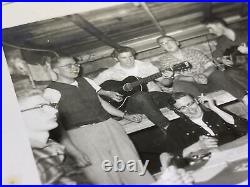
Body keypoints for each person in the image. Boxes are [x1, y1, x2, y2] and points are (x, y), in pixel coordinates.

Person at [43, 56, 155, 184]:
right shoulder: (51, 92)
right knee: (102, 175)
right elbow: (56, 125)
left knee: (131, 165)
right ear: (55, 69)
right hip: (81, 135)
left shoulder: (85, 81)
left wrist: (125, 115)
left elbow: (102, 103)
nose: (75, 68)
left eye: (76, 64)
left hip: (109, 126)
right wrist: (74, 151)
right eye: (69, 65)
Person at [94, 46, 174, 133]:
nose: (129, 60)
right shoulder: (109, 73)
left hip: (154, 97)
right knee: (140, 96)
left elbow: (166, 83)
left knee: (172, 97)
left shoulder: (146, 66)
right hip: (129, 105)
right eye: (124, 58)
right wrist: (108, 93)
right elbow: (90, 87)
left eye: (131, 56)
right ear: (116, 59)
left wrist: (169, 77)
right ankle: (166, 127)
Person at [18, 89, 91, 184]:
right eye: (40, 107)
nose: (54, 110)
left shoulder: (50, 145)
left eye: (49, 105)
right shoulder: (32, 161)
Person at [156, 35, 248, 106]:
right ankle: (207, 111)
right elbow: (175, 78)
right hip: (191, 87)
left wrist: (204, 75)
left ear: (177, 42)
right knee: (179, 85)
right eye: (163, 44)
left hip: (209, 81)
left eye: (169, 41)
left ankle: (245, 99)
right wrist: (193, 79)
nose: (167, 44)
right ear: (162, 48)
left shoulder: (194, 52)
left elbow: (211, 66)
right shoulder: (164, 61)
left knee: (217, 74)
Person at [162, 92, 247, 158]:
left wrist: (214, 108)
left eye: (190, 104)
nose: (190, 109)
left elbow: (245, 128)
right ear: (178, 111)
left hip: (238, 152)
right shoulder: (176, 128)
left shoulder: (216, 113)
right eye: (183, 108)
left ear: (196, 101)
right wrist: (197, 146)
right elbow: (174, 156)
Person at [205, 18, 248, 91]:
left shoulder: (245, 33)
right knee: (229, 72)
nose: (210, 31)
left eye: (210, 28)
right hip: (242, 69)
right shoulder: (222, 41)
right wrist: (222, 60)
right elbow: (216, 56)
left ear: (219, 25)